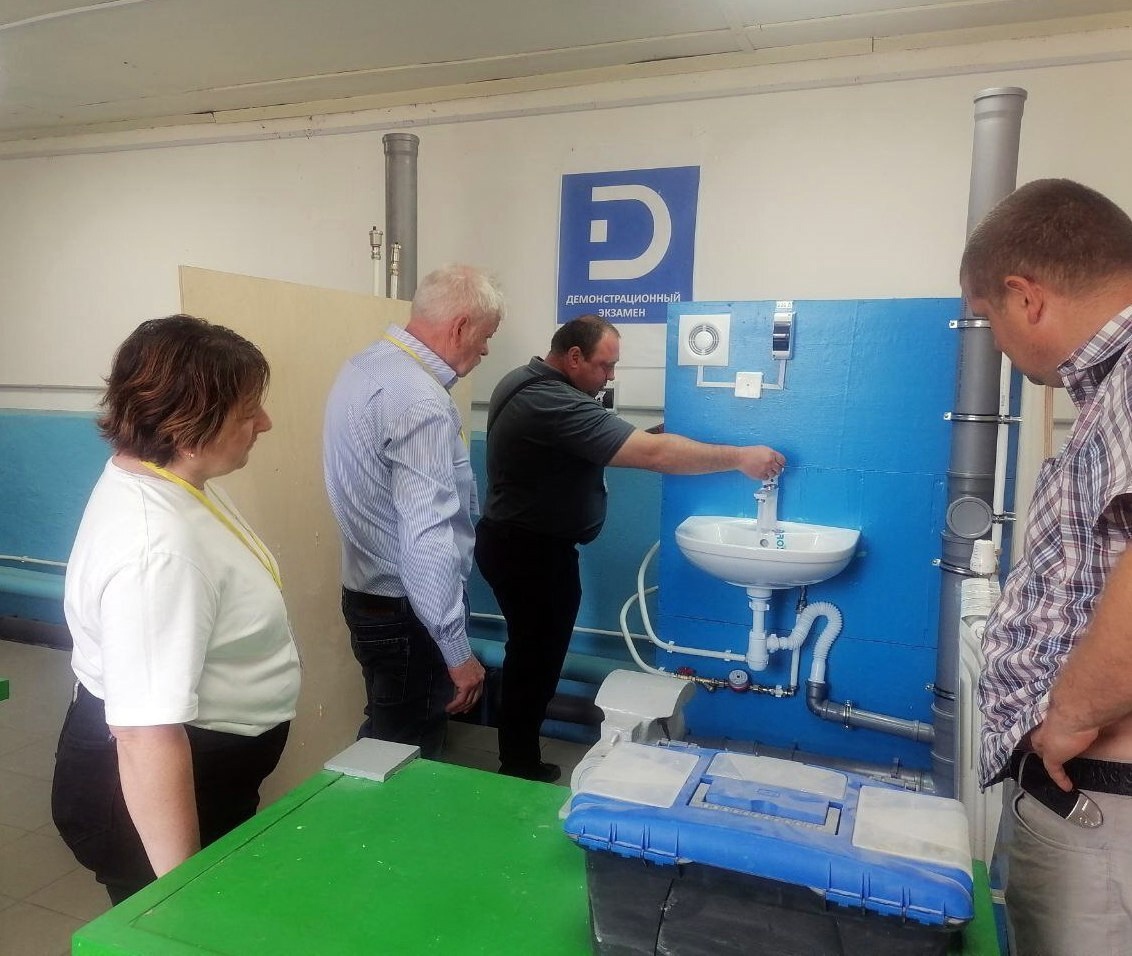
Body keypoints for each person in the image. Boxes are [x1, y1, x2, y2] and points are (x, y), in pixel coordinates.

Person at [51, 315, 300, 904]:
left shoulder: (173, 483)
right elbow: (145, 736)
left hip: (201, 772)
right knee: (167, 928)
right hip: (149, 795)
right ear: (189, 425)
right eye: (248, 413)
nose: (265, 423)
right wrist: (182, 894)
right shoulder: (155, 550)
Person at [475, 314, 785, 782]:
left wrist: (661, 432)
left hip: (518, 544)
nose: (611, 376)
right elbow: (654, 456)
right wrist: (740, 457)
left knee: (532, 656)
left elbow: (622, 442)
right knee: (534, 662)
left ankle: (516, 756)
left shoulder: (523, 380)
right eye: (605, 365)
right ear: (574, 357)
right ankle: (517, 766)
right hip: (530, 553)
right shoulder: (550, 400)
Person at [965, 179, 1132, 954]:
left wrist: (1070, 715)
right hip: (1086, 793)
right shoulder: (1108, 389)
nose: (996, 343)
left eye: (989, 319)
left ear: (1025, 296)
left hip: (1099, 796)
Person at [323, 264, 504, 760]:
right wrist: (457, 651)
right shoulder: (418, 400)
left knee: (384, 738)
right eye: (487, 336)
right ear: (460, 327)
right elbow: (428, 536)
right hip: (411, 614)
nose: (486, 350)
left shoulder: (363, 367)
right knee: (408, 757)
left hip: (369, 599)